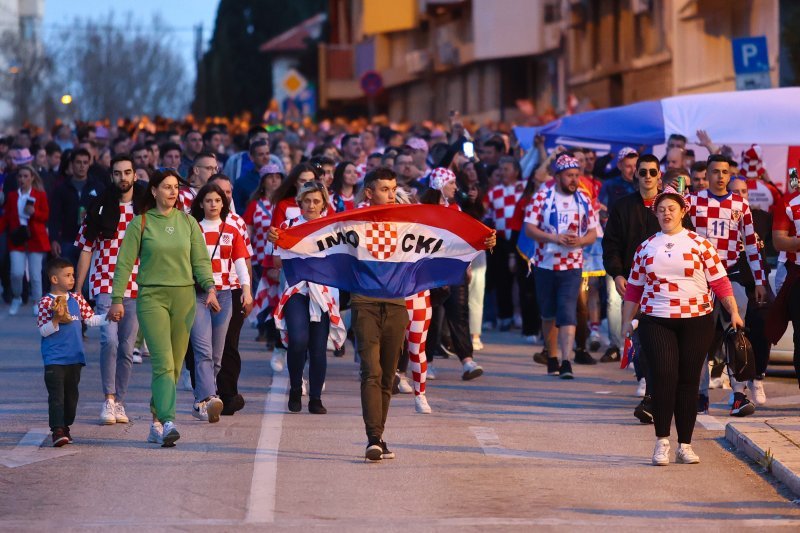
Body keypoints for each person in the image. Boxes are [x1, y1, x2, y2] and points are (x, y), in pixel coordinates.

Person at [622, 186, 743, 466]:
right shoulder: (646, 247)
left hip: (697, 320)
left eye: (672, 209)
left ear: (683, 212)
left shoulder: (700, 244)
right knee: (664, 377)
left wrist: (734, 312)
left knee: (689, 382)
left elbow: (720, 283)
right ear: (655, 213)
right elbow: (634, 290)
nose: (666, 213)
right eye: (661, 209)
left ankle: (685, 445)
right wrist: (626, 323)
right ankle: (661, 441)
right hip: (656, 320)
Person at [108, 169, 217, 447]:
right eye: (166, 187)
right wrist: (117, 298)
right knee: (163, 363)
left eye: (175, 188)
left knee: (176, 365)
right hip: (151, 297)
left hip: (184, 298)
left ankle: (155, 423)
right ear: (154, 191)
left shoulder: (188, 222)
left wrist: (210, 287)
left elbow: (201, 261)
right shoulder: (141, 224)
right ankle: (168, 420)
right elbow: (123, 264)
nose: (172, 192)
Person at [687, 154, 766, 417]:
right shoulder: (693, 201)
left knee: (737, 336)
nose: (720, 176)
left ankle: (739, 396)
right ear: (706, 175)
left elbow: (752, 245)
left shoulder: (740, 205)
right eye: (715, 172)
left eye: (724, 172)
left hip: (731, 275)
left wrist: (759, 280)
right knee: (700, 340)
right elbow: (659, 208)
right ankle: (700, 395)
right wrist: (674, 188)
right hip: (700, 279)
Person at [74, 155, 144, 425]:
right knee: (109, 341)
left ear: (135, 176)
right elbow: (86, 250)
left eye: (127, 172)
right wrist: (78, 290)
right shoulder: (98, 207)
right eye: (117, 173)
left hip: (137, 286)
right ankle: (108, 399)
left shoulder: (145, 209)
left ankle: (121, 403)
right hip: (105, 283)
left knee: (127, 348)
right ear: (111, 176)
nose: (123, 178)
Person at [524, 154, 597, 379]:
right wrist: (555, 238)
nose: (574, 180)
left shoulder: (584, 199)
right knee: (548, 314)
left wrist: (580, 241)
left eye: (576, 175)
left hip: (573, 265)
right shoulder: (542, 197)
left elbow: (593, 233)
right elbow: (529, 228)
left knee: (567, 311)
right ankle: (552, 356)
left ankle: (566, 361)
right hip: (545, 263)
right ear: (557, 177)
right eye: (569, 176)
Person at [269, 181, 338, 414]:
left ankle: (316, 398)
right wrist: (276, 240)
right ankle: (296, 387)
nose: (311, 205)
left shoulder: (333, 228)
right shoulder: (287, 226)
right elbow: (277, 260)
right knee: (298, 340)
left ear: (324, 204)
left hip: (323, 293)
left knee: (318, 348)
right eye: (307, 200)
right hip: (296, 290)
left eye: (316, 201)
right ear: (299, 202)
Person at [189, 183, 251, 423]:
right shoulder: (193, 229)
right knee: (202, 350)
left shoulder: (232, 229)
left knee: (217, 354)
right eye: (208, 200)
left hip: (225, 295)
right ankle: (207, 398)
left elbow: (240, 263)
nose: (213, 204)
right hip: (199, 295)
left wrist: (246, 291)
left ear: (223, 204)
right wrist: (207, 288)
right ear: (201, 204)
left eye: (217, 200)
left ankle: (203, 399)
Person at [38, 257, 106, 446]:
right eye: (67, 275)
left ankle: (65, 426)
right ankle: (57, 430)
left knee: (71, 397)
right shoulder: (45, 302)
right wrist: (56, 320)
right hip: (54, 359)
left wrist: (109, 317)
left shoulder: (76, 298)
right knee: (56, 396)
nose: (72, 279)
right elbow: (43, 330)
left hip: (75, 358)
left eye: (73, 275)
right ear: (54, 279)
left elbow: (91, 320)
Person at [0, 165, 50, 316]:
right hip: (17, 238)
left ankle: (37, 302)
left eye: (26, 176)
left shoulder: (39, 195)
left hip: (35, 238)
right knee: (16, 272)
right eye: (20, 176)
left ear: (32, 178)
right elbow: (6, 217)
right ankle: (17, 296)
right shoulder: (12, 196)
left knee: (35, 275)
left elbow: (45, 216)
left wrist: (34, 213)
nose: (22, 179)